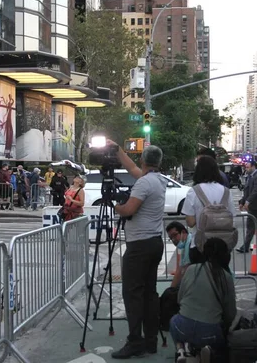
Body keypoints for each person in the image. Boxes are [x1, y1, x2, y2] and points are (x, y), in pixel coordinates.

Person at [110, 142, 167, 359]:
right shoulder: (157, 180)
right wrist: (117, 150)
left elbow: (129, 210)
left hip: (139, 246)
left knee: (132, 294)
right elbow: (133, 169)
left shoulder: (144, 184)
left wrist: (115, 205)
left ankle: (135, 342)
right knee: (149, 294)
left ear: (144, 160)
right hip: (154, 242)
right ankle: (150, 341)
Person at [171, 238, 237, 363]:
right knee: (219, 344)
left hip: (181, 326)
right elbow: (230, 313)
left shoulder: (191, 270)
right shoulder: (226, 277)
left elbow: (179, 299)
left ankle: (182, 350)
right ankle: (206, 350)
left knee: (174, 322)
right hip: (210, 332)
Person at [182, 155, 237, 253]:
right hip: (223, 246)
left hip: (200, 245)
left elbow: (190, 222)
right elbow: (232, 217)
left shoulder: (194, 191)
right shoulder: (226, 192)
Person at [236, 160, 257, 253]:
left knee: (251, 226)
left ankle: (245, 246)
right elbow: (246, 191)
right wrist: (242, 202)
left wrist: (247, 202)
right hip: (251, 206)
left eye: (248, 167)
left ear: (253, 167)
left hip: (256, 206)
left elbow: (255, 191)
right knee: (255, 226)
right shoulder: (249, 177)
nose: (246, 169)